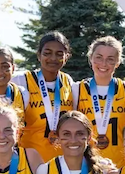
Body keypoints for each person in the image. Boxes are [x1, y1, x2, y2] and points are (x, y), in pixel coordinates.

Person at [15, 31, 78, 161]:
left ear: (66, 56)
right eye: (47, 53)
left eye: (59, 54)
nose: (53, 58)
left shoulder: (68, 81)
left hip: (62, 160)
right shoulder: (22, 81)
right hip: (30, 160)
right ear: (39, 55)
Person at [76, 36, 125, 166]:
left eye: (110, 59)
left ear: (117, 63)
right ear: (91, 58)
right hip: (88, 165)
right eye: (99, 57)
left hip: (122, 165)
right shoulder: (77, 90)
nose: (103, 64)